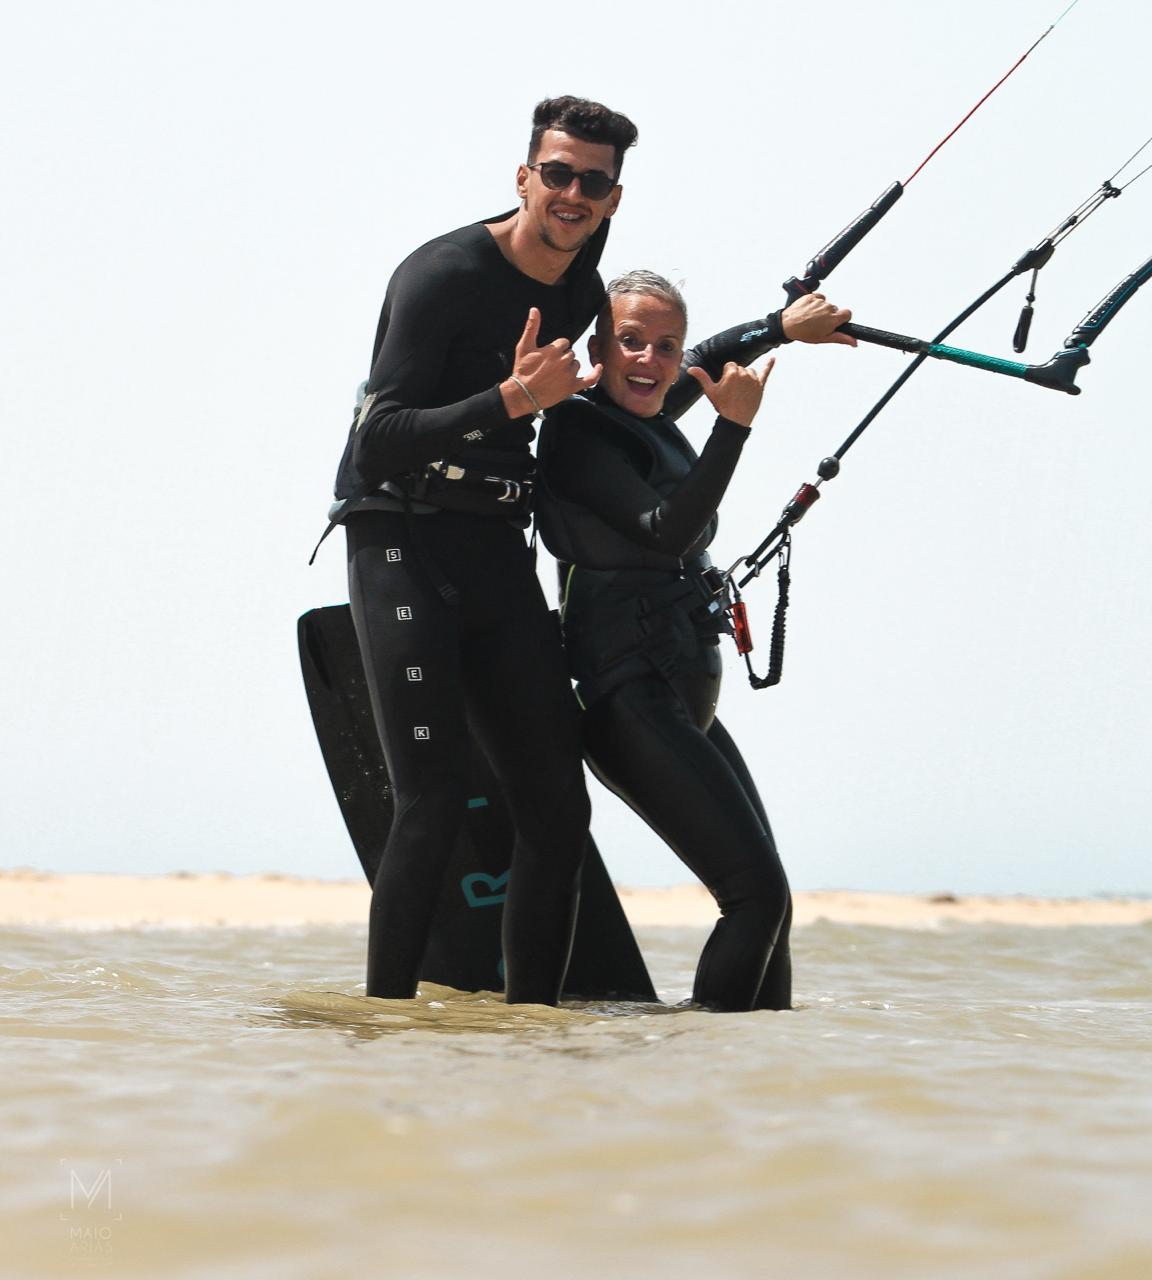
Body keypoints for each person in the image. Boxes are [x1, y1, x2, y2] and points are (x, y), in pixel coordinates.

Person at [331, 96, 637, 1004]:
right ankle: (383, 1023)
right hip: (400, 538)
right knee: (426, 804)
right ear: (525, 176)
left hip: (495, 549)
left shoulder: (584, 285)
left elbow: (637, 382)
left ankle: (530, 1036)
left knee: (558, 809)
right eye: (558, 173)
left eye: (593, 180)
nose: (573, 192)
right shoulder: (442, 275)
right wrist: (508, 400)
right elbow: (376, 438)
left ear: (613, 198)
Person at [537, 271, 850, 1010]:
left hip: (680, 697)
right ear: (597, 349)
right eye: (631, 342)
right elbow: (667, 530)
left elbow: (712, 353)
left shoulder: (646, 412)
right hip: (628, 701)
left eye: (665, 348)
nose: (649, 360)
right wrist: (734, 426)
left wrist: (781, 326)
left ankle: (747, 1085)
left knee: (772, 901)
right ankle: (698, 1061)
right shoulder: (579, 432)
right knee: (754, 899)